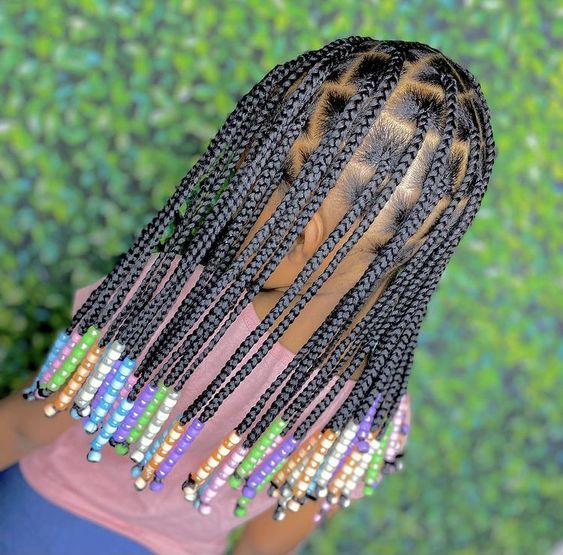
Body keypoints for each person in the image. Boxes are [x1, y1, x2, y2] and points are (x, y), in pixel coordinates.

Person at [0, 35, 496, 555]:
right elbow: (266, 546)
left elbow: (22, 427)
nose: (243, 179)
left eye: (267, 173)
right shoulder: (372, 410)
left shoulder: (166, 302)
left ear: (303, 227)